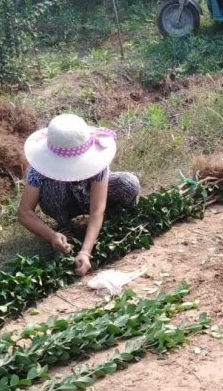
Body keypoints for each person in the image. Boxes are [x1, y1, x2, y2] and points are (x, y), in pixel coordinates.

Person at [18, 113, 140, 277]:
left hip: (89, 195)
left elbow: (97, 209)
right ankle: (64, 227)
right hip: (62, 201)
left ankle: (112, 217)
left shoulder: (96, 159)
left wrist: (85, 252)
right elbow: (25, 213)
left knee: (129, 183)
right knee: (52, 186)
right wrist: (51, 235)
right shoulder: (38, 170)